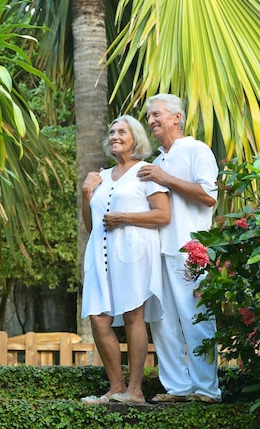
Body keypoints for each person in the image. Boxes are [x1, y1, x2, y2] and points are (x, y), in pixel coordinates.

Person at [80, 115, 171, 406]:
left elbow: (162, 215)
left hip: (134, 250)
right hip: (100, 252)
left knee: (134, 315)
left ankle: (135, 390)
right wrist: (86, 194)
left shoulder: (146, 171)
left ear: (136, 138)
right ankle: (115, 387)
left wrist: (123, 218)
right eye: (112, 132)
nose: (115, 136)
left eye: (122, 131)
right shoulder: (101, 176)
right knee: (98, 317)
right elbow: (92, 225)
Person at [137, 94, 222, 404]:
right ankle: (178, 387)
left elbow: (208, 196)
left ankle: (206, 390)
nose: (151, 121)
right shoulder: (156, 161)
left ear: (176, 117)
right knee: (161, 320)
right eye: (149, 116)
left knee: (196, 316)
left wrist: (165, 178)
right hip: (157, 252)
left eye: (156, 114)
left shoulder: (197, 149)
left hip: (191, 250)